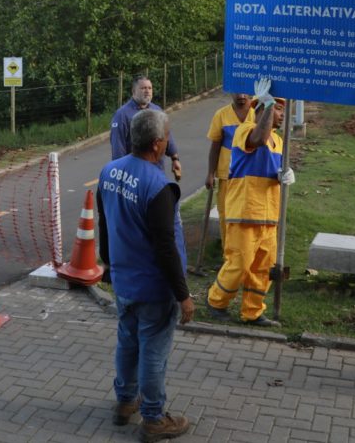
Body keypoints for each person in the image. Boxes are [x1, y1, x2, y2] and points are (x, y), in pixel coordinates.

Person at [97, 109, 194, 442]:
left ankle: (126, 401)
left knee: (127, 341)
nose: (168, 142)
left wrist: (108, 266)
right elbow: (166, 248)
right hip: (153, 288)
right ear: (156, 144)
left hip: (124, 281)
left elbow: (105, 224)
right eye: (167, 137)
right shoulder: (158, 186)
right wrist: (183, 295)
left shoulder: (109, 171)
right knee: (153, 351)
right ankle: (153, 417)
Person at [206, 78, 294, 327]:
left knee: (262, 268)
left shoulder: (278, 141)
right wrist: (267, 105)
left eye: (282, 110)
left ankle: (253, 312)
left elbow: (269, 168)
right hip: (245, 212)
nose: (282, 116)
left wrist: (284, 175)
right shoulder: (245, 130)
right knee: (239, 263)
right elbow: (257, 140)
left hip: (269, 216)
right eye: (278, 109)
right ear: (263, 108)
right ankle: (216, 301)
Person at [205, 92, 255, 244]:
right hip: (228, 175)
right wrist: (210, 173)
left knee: (249, 212)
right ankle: (228, 251)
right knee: (226, 213)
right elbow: (215, 146)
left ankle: (247, 248)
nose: (241, 96)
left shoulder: (257, 112)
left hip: (252, 174)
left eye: (244, 92)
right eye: (237, 92)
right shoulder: (221, 115)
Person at [111, 75, 181, 181]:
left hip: (157, 172)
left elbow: (167, 137)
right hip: (135, 175)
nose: (147, 91)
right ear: (133, 91)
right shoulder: (122, 115)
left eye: (150, 88)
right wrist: (120, 174)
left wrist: (175, 158)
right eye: (143, 88)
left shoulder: (157, 110)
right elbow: (118, 146)